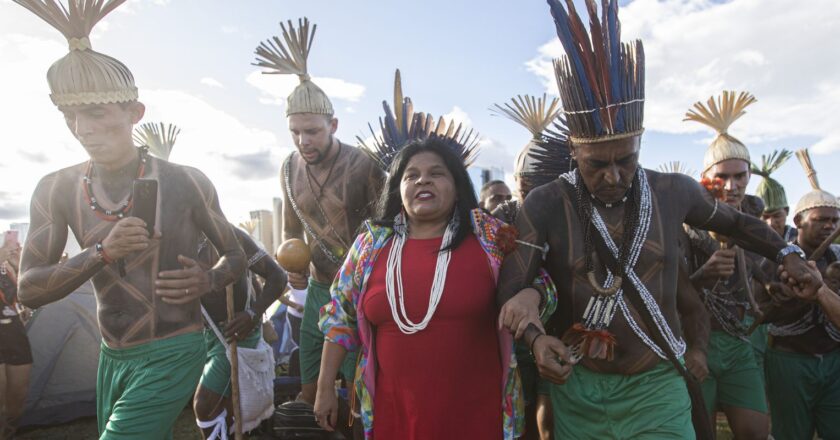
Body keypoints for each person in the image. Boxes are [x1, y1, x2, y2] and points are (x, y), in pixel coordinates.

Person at [495, 1, 820, 438]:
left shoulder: (672, 192)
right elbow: (512, 291)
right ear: (574, 152)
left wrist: (788, 250)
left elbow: (738, 225)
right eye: (596, 165)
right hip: (580, 389)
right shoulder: (548, 203)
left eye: (626, 160)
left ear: (640, 145)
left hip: (658, 384)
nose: (613, 176)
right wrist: (535, 338)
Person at [13, 1, 246, 438]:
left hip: (175, 350)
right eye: (70, 116)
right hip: (110, 356)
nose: (82, 128)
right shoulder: (56, 188)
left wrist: (210, 280)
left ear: (134, 113)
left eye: (96, 112)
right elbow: (29, 287)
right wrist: (102, 252)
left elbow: (237, 255)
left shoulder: (186, 182)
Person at [316, 73, 554, 439]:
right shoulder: (370, 246)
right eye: (411, 175)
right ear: (399, 189)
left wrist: (528, 294)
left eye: (436, 174)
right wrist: (324, 389)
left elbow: (542, 282)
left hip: (478, 416)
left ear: (457, 187)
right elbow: (339, 318)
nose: (422, 181)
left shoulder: (490, 237)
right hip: (395, 417)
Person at [253, 18, 386, 407]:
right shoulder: (287, 168)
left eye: (312, 131)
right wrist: (291, 261)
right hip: (316, 288)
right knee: (311, 385)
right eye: (295, 131)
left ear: (333, 124)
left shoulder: (365, 164)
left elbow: (387, 229)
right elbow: (291, 233)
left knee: (361, 387)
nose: (303, 140)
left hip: (362, 287)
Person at [682, 91, 770, 437]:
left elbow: (756, 269)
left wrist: (770, 282)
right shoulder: (687, 224)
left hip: (739, 342)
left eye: (740, 176)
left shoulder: (752, 220)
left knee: (754, 432)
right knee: (700, 431)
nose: (732, 186)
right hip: (696, 340)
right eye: (722, 177)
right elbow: (669, 291)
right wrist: (703, 276)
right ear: (707, 177)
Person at [490, 93, 564, 440]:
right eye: (526, 186)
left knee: (548, 421)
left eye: (541, 187)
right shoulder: (499, 220)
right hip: (510, 332)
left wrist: (537, 293)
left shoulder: (569, 218)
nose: (533, 196)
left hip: (561, 327)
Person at [758, 148, 840, 440]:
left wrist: (824, 288)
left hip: (834, 361)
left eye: (834, 220)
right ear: (798, 222)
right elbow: (764, 311)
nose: (829, 226)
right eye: (821, 220)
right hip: (789, 362)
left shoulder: (838, 258)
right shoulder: (772, 258)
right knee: (791, 434)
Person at [194, 227, 290, 439]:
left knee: (204, 404)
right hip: (208, 337)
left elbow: (277, 276)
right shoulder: (171, 242)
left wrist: (253, 314)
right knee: (226, 409)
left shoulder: (229, 235)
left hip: (238, 334)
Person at [0, 237, 30, 440]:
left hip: (15, 333)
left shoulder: (5, 264)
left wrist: (19, 267)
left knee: (18, 393)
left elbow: (25, 296)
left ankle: (9, 431)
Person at [753, 149, 797, 242]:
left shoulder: (800, 241)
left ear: (787, 211)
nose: (771, 223)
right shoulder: (750, 243)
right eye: (765, 217)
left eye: (777, 216)